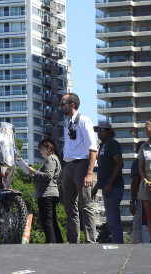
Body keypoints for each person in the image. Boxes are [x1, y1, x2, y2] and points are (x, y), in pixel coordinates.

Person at [60, 93, 97, 244]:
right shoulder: (68, 122)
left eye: (63, 103)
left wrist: (89, 173)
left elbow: (93, 149)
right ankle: (73, 240)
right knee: (69, 206)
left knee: (85, 204)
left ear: (72, 105)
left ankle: (90, 240)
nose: (61, 106)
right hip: (68, 166)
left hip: (81, 165)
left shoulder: (83, 121)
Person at [91, 121, 124, 243]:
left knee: (113, 219)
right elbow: (103, 169)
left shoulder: (112, 144)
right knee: (111, 219)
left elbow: (119, 163)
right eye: (97, 130)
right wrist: (97, 186)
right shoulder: (103, 145)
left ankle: (118, 245)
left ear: (109, 131)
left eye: (102, 130)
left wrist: (109, 183)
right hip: (106, 186)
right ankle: (117, 242)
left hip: (113, 187)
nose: (99, 132)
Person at [28, 138, 63, 244]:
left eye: (42, 149)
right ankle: (58, 242)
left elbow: (48, 176)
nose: (41, 152)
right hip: (51, 193)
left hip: (47, 194)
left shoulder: (50, 159)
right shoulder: (55, 159)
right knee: (52, 220)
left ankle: (51, 243)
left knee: (47, 221)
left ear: (49, 148)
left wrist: (34, 172)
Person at [129, 140, 148, 244]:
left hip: (141, 198)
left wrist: (132, 201)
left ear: (137, 150)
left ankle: (136, 248)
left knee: (138, 228)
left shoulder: (137, 162)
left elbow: (135, 183)